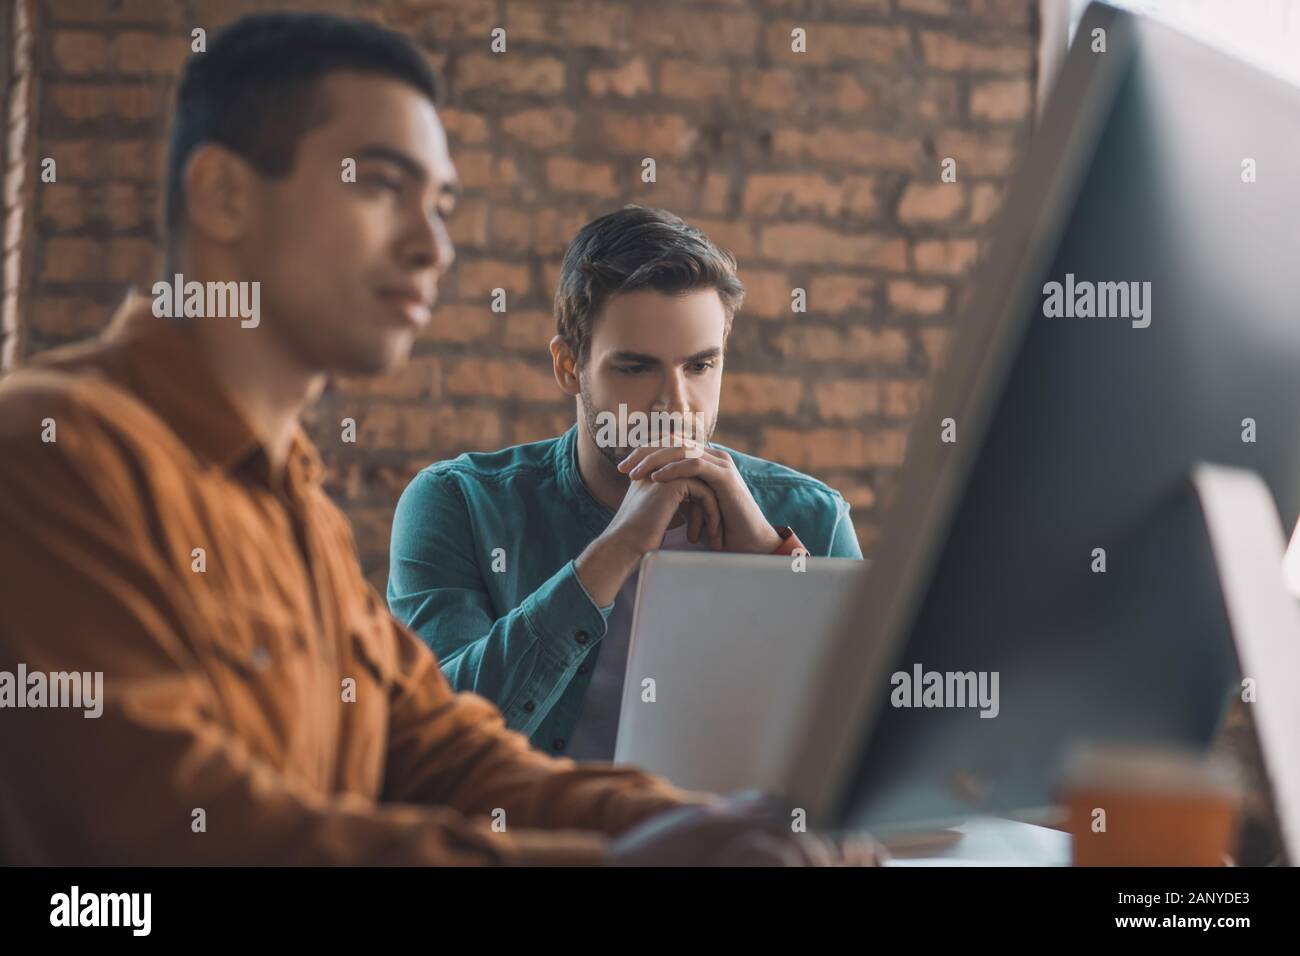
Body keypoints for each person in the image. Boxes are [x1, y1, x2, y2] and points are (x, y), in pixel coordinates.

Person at [0, 11, 878, 866]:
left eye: (442, 203)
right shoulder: (51, 448)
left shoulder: (290, 502)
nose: (435, 246)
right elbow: (187, 829)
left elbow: (447, 759)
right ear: (224, 195)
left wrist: (729, 833)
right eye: (382, 184)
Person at [389, 205, 862, 761]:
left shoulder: (812, 519)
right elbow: (438, 746)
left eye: (700, 366)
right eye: (636, 368)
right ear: (569, 366)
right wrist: (615, 551)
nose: (675, 405)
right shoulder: (457, 505)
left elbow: (864, 753)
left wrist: (769, 562)